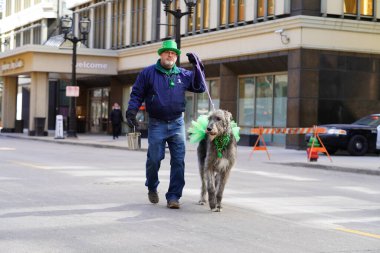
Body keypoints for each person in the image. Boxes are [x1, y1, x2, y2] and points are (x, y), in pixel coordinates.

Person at [126, 40, 206, 209]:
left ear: (176, 57)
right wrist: (131, 111)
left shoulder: (183, 74)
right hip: (157, 124)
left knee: (178, 161)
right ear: (161, 54)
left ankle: (174, 196)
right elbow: (137, 94)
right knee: (154, 159)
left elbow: (200, 87)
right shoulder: (148, 73)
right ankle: (152, 186)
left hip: (177, 123)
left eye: (174, 53)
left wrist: (198, 66)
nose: (170, 55)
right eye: (167, 52)